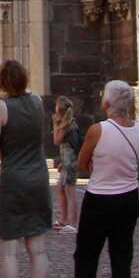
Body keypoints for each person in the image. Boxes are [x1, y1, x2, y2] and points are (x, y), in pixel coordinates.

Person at [69, 80, 139, 278]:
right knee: (122, 257)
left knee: (87, 257)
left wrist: (96, 165)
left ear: (106, 103)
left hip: (100, 198)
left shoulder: (98, 130)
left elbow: (81, 165)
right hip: (128, 199)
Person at [0, 60, 52, 278]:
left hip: (14, 180)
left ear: (2, 81)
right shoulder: (37, 102)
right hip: (39, 179)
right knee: (37, 250)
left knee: (9, 252)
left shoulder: (1, 108)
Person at [52, 96, 79, 233]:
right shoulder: (67, 124)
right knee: (61, 189)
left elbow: (56, 141)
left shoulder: (68, 125)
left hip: (71, 162)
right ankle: (64, 219)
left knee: (70, 190)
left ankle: (72, 222)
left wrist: (55, 124)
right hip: (67, 161)